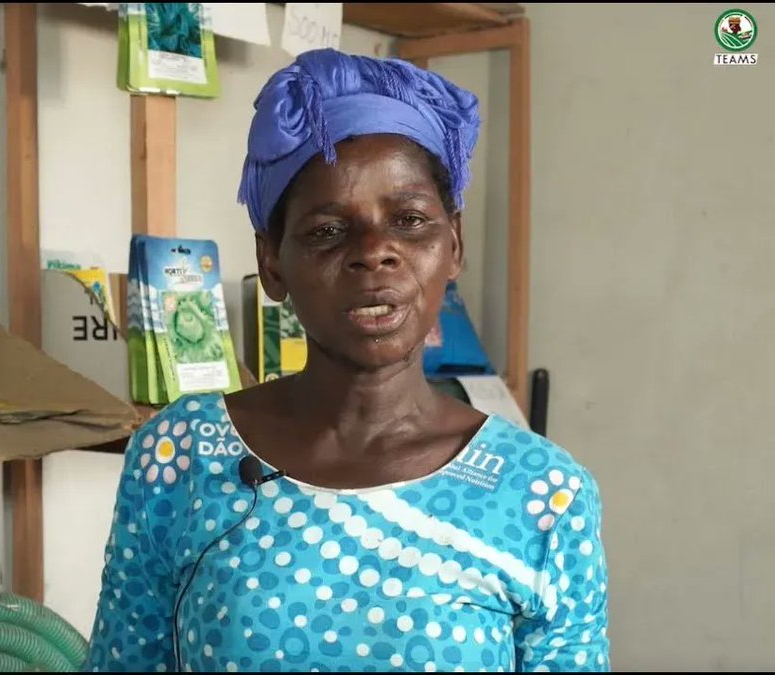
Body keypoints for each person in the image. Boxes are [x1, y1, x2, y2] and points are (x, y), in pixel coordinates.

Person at [83, 48, 609, 673]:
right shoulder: (181, 455)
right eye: (328, 231)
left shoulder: (542, 493)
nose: (375, 252)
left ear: (454, 245)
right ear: (272, 261)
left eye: (409, 220)